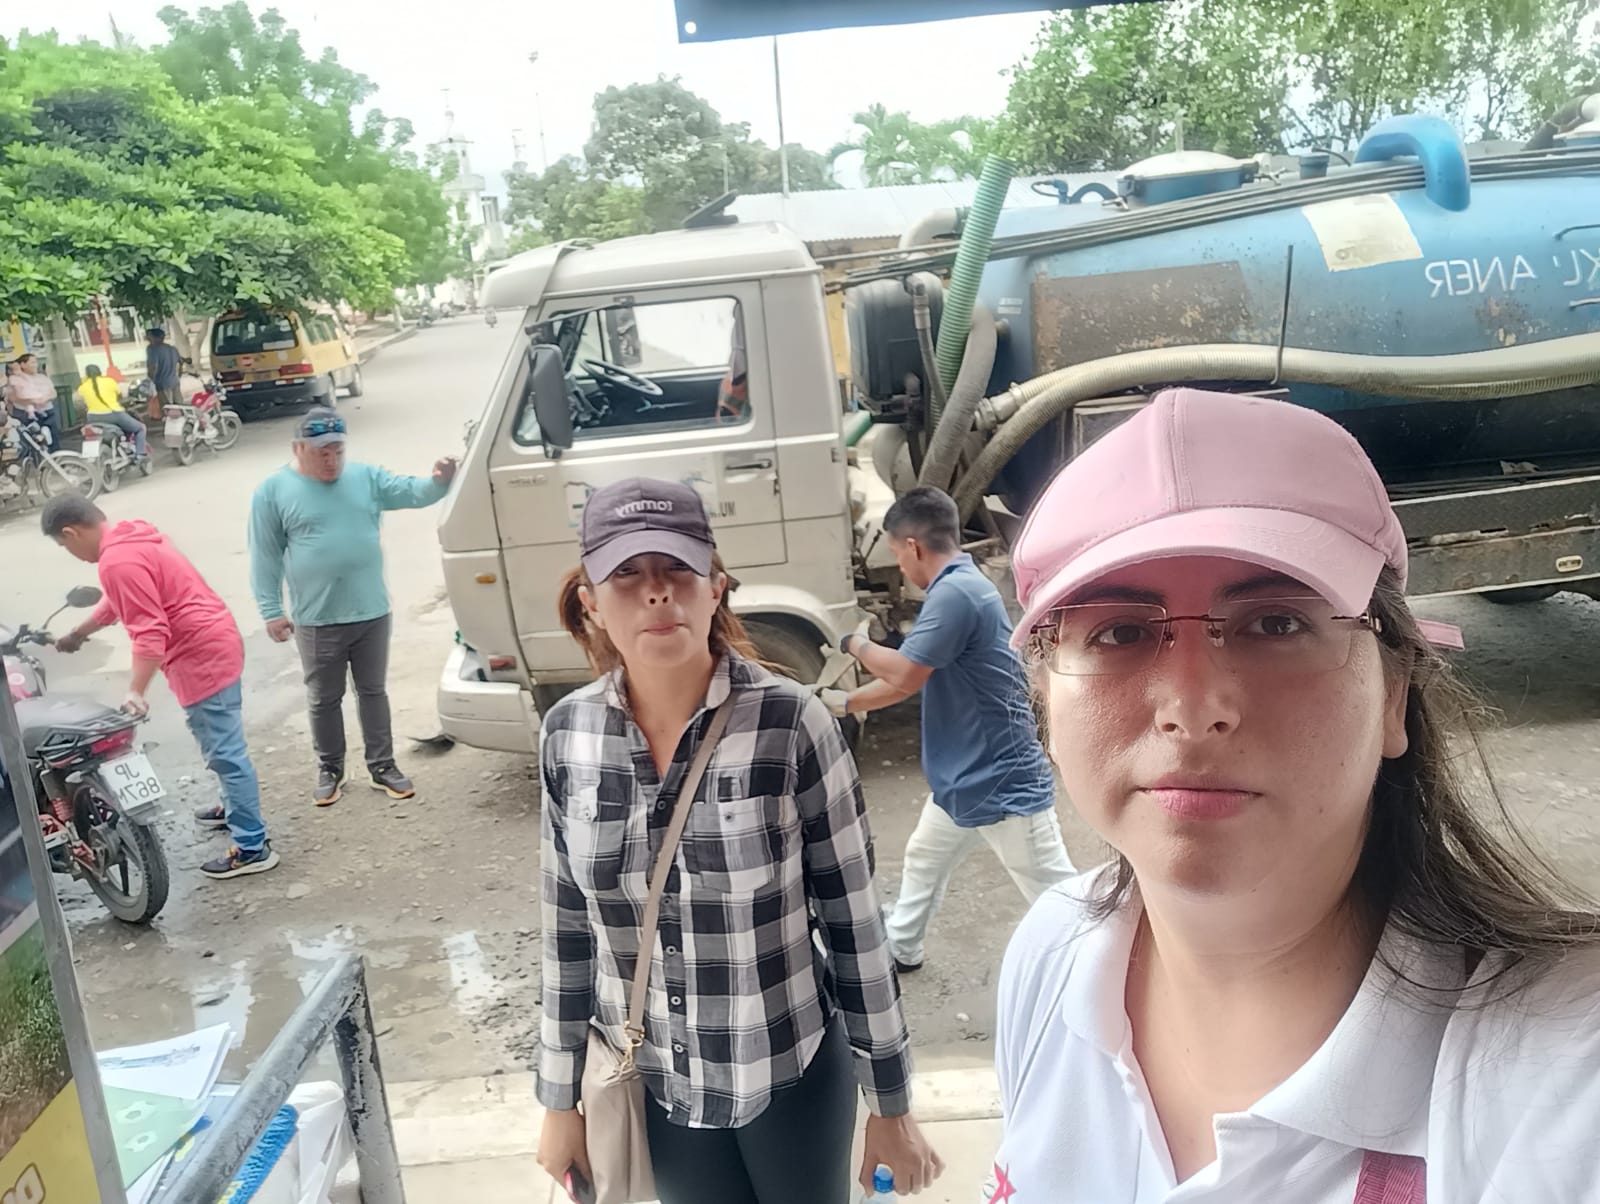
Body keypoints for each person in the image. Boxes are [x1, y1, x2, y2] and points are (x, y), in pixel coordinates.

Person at [988, 387, 1600, 1202]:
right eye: (1120, 632)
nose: (1193, 708)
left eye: (1274, 623)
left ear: (1393, 694)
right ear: (1045, 709)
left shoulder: (1566, 1079)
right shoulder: (1052, 954)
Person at [534, 478, 942, 1204]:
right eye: (627, 575)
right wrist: (558, 1101)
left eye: (677, 570)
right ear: (591, 602)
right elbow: (566, 933)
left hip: (788, 1073)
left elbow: (854, 925)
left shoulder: (792, 724)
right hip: (659, 1085)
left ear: (716, 588)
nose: (656, 592)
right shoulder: (568, 735)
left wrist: (891, 1104)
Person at [818, 486, 1073, 973]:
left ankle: (1104, 965)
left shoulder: (956, 594)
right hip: (962, 776)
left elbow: (904, 673)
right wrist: (844, 702)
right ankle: (902, 946)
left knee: (1054, 892)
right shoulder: (958, 588)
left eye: (896, 554)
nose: (900, 566)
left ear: (913, 547)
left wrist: (854, 643)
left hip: (1000, 779)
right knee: (923, 858)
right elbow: (910, 678)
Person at [40, 495, 278, 880]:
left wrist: (136, 690)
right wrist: (79, 633)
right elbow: (120, 601)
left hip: (199, 656)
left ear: (71, 532)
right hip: (215, 641)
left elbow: (150, 632)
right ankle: (235, 808)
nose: (72, 554)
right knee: (219, 741)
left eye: (65, 546)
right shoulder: (132, 538)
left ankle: (252, 847)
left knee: (225, 752)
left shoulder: (117, 562)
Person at [249, 408, 457, 806]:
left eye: (338, 451)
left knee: (373, 692)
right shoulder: (272, 492)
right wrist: (271, 609)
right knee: (324, 698)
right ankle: (330, 767)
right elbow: (265, 556)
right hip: (317, 617)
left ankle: (382, 765)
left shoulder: (365, 477)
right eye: (322, 453)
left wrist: (438, 481)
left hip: (371, 611)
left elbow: (412, 492)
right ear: (298, 449)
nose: (332, 461)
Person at [77, 364, 148, 459]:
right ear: (100, 372)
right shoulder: (109, 381)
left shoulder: (83, 387)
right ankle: (140, 454)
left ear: (86, 374)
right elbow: (120, 395)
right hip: (114, 414)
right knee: (140, 429)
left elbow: (82, 401)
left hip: (92, 417)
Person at [6, 354, 61, 456]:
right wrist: (32, 401)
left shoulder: (43, 377)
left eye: (36, 362)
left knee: (53, 438)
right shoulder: (15, 379)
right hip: (27, 415)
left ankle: (57, 460)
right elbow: (13, 398)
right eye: (32, 362)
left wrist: (45, 399)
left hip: (48, 412)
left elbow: (53, 393)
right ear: (23, 364)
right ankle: (37, 462)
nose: (35, 365)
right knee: (34, 442)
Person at [144, 328, 180, 421]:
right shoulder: (172, 349)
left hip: (162, 382)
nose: (147, 338)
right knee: (179, 405)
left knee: (167, 408)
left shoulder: (152, 349)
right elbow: (180, 362)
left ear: (156, 337)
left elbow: (152, 366)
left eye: (149, 336)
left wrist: (151, 379)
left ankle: (171, 424)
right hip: (175, 381)